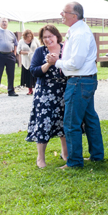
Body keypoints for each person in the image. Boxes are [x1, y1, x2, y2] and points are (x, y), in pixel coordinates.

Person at [47, 2, 105, 169]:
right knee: (90, 119)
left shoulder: (80, 33)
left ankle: (74, 162)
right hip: (86, 79)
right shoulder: (78, 30)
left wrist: (56, 62)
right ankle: (97, 155)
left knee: (71, 122)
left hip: (79, 80)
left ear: (74, 15)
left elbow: (76, 63)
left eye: (64, 12)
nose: (61, 14)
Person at [26, 25, 68, 169]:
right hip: (44, 93)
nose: (48, 39)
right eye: (44, 37)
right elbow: (34, 71)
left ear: (57, 36)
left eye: (50, 36)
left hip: (63, 91)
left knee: (64, 123)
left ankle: (65, 153)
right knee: (44, 123)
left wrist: (59, 61)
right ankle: (40, 158)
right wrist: (48, 64)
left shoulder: (66, 48)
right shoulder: (40, 51)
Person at [18, 29, 40, 95]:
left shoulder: (35, 40)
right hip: (26, 61)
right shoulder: (21, 41)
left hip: (35, 60)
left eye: (30, 36)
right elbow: (18, 51)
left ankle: (37, 89)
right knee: (28, 76)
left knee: (36, 75)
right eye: (27, 36)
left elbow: (39, 48)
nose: (29, 38)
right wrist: (27, 52)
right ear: (25, 36)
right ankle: (30, 90)